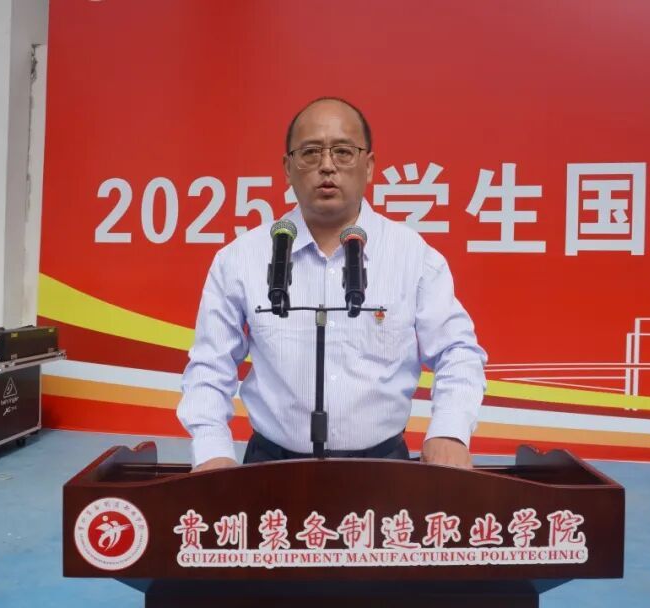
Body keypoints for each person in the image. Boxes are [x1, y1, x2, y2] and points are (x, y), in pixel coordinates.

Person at [176, 97, 487, 472]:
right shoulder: (241, 259)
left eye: (343, 152)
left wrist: (450, 432)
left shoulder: (413, 257)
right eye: (310, 153)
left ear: (369, 166)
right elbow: (209, 366)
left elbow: (458, 352)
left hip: (383, 469)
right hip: (271, 468)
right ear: (288, 168)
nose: (327, 165)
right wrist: (211, 449)